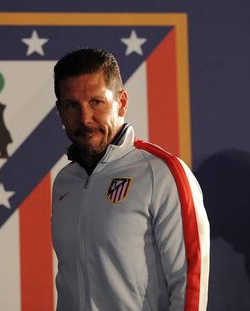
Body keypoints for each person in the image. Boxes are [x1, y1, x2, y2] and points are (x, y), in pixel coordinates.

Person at [51, 48, 210, 311]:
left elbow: (190, 283)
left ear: (122, 102)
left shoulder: (162, 172)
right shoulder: (65, 182)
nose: (85, 118)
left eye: (96, 102)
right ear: (60, 111)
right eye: (72, 105)